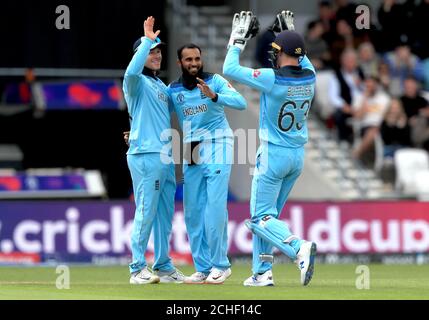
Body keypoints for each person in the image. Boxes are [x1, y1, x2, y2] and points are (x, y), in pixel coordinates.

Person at [223, 10, 317, 287]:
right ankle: (262, 272)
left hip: (273, 155)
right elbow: (304, 58)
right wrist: (286, 32)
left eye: (276, 50)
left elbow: (229, 69)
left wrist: (237, 40)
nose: (273, 54)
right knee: (268, 219)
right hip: (297, 157)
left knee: (260, 217)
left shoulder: (271, 78)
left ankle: (298, 248)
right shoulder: (310, 75)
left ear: (282, 53)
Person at [167, 43, 247, 284]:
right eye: (188, 60)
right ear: (180, 63)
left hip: (218, 141)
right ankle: (202, 267)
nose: (194, 63)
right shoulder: (173, 90)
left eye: (197, 59)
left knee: (214, 205)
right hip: (191, 147)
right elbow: (158, 114)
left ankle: (221, 265)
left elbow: (241, 102)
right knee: (192, 211)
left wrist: (215, 96)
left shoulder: (215, 81)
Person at [123, 16, 185, 285]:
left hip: (164, 156)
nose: (157, 55)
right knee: (146, 209)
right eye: (152, 52)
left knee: (163, 214)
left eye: (159, 51)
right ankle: (137, 268)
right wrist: (147, 40)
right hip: (146, 155)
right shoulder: (135, 82)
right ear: (141, 55)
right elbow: (130, 72)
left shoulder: (160, 85)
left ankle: (163, 264)